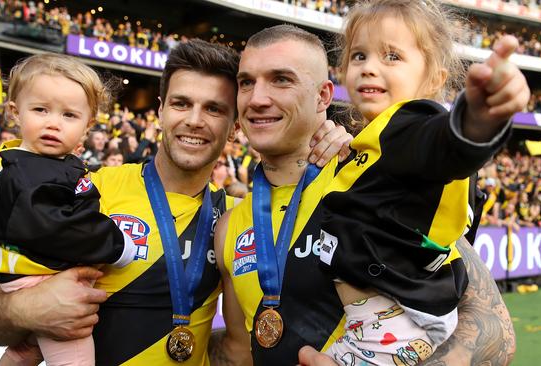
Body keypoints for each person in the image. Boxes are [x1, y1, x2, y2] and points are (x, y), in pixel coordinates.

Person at [0, 39, 350, 365]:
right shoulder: (91, 189)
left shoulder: (233, 224)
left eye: (214, 109)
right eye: (181, 103)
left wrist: (337, 142)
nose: (195, 121)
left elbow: (238, 349)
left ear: (235, 125)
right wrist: (25, 309)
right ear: (160, 111)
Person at [214, 23, 518, 366]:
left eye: (281, 79)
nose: (257, 99)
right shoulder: (229, 228)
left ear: (324, 96)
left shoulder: (375, 183)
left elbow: (494, 333)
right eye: (246, 83)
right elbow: (239, 351)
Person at [316, 1, 529, 365]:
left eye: (392, 57)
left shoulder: (410, 124)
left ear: (434, 80)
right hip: (392, 318)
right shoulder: (374, 141)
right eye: (359, 56)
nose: (369, 68)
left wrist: (476, 120)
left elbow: (445, 143)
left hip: (393, 325)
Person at [0, 53, 137, 366]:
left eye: (69, 115)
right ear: (15, 112)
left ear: (88, 125)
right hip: (38, 276)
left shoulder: (44, 164)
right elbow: (58, 228)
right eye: (40, 110)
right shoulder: (27, 170)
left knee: (29, 349)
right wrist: (116, 244)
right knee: (74, 354)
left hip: (33, 270)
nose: (53, 122)